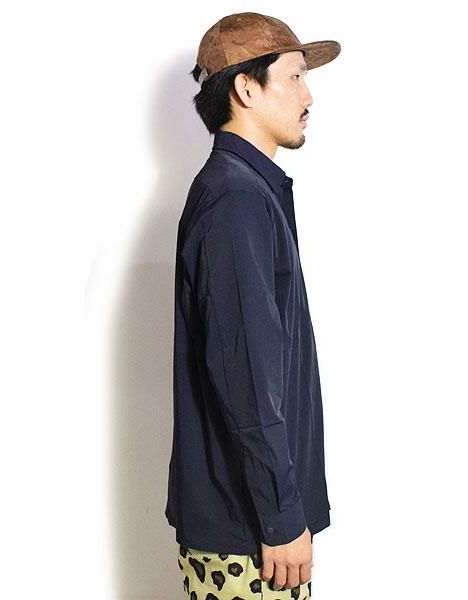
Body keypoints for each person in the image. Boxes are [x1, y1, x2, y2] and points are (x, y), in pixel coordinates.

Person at [165, 12, 341, 599]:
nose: (308, 95)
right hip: (249, 534)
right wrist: (282, 516)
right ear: (245, 87)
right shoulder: (236, 199)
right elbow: (245, 377)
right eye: (294, 76)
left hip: (251, 525)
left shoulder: (246, 190)